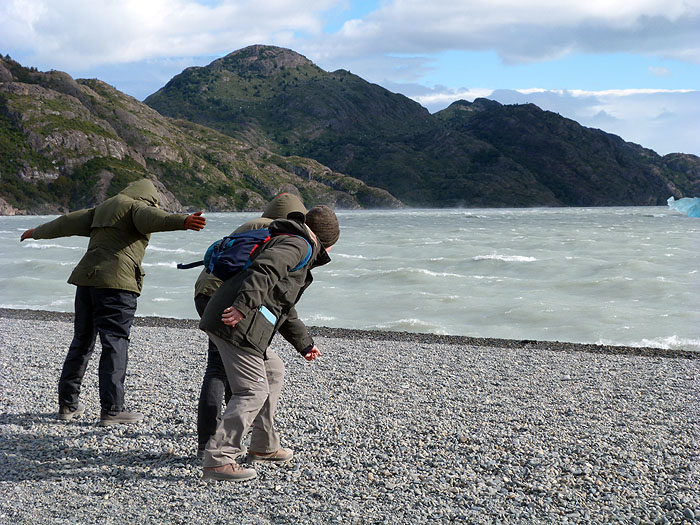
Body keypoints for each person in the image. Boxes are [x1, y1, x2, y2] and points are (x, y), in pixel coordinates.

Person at [20, 178, 206, 426]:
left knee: (81, 342)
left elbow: (66, 222)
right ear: (149, 198)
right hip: (116, 285)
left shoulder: (102, 208)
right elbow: (154, 219)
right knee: (115, 344)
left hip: (86, 280)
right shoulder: (136, 207)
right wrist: (183, 221)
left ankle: (68, 405)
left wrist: (37, 232)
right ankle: (112, 410)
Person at [198, 205, 340, 482]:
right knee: (252, 390)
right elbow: (266, 269)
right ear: (328, 241)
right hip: (235, 321)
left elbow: (282, 305)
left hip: (237, 318)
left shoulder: (294, 242)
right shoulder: (300, 245)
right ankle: (218, 459)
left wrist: (305, 344)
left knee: (274, 371)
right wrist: (242, 306)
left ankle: (263, 446)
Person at [193, 193, 307, 456]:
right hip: (228, 301)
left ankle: (221, 436)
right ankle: (212, 442)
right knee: (225, 369)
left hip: (205, 293)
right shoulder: (276, 232)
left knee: (225, 367)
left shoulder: (251, 224)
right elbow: (266, 275)